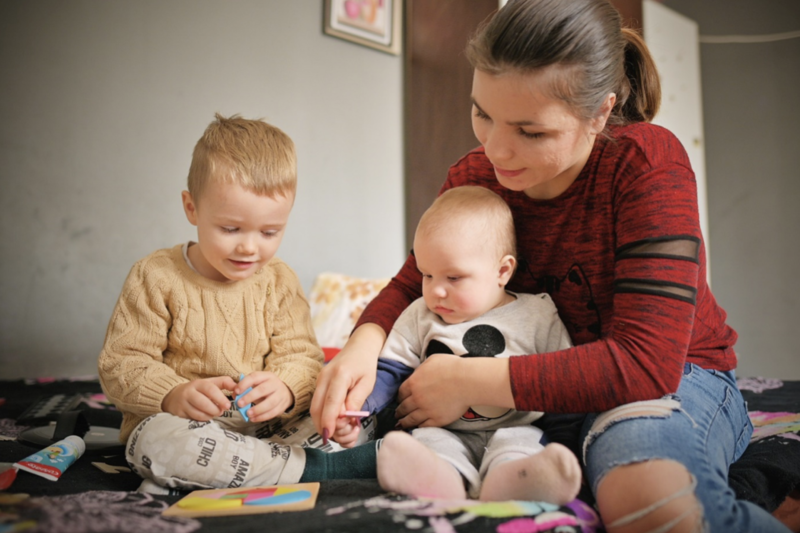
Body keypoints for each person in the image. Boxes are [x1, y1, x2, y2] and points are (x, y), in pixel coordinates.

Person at [312, 1, 791, 531]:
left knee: (643, 496)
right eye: (482, 113)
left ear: (600, 112)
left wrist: (470, 381)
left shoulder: (647, 164)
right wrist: (362, 345)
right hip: (539, 405)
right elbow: (412, 282)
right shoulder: (475, 175)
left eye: (530, 131)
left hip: (677, 377)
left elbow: (646, 364)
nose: (494, 148)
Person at [98, 113, 377, 493]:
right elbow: (121, 363)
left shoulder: (279, 279)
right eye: (230, 229)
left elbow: (303, 357)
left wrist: (286, 387)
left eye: (269, 232)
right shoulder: (155, 275)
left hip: (267, 431)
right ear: (191, 208)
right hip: (190, 428)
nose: (249, 247)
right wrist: (172, 393)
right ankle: (318, 470)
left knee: (346, 413)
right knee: (156, 442)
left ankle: (257, 467)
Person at [332, 186, 581, 503]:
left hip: (516, 429)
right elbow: (390, 370)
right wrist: (358, 409)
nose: (435, 291)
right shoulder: (420, 314)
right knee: (429, 445)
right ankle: (438, 481)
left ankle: (515, 482)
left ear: (502, 270)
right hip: (443, 431)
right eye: (427, 275)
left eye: (453, 278)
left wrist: (565, 444)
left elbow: (561, 385)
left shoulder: (538, 314)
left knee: (521, 447)